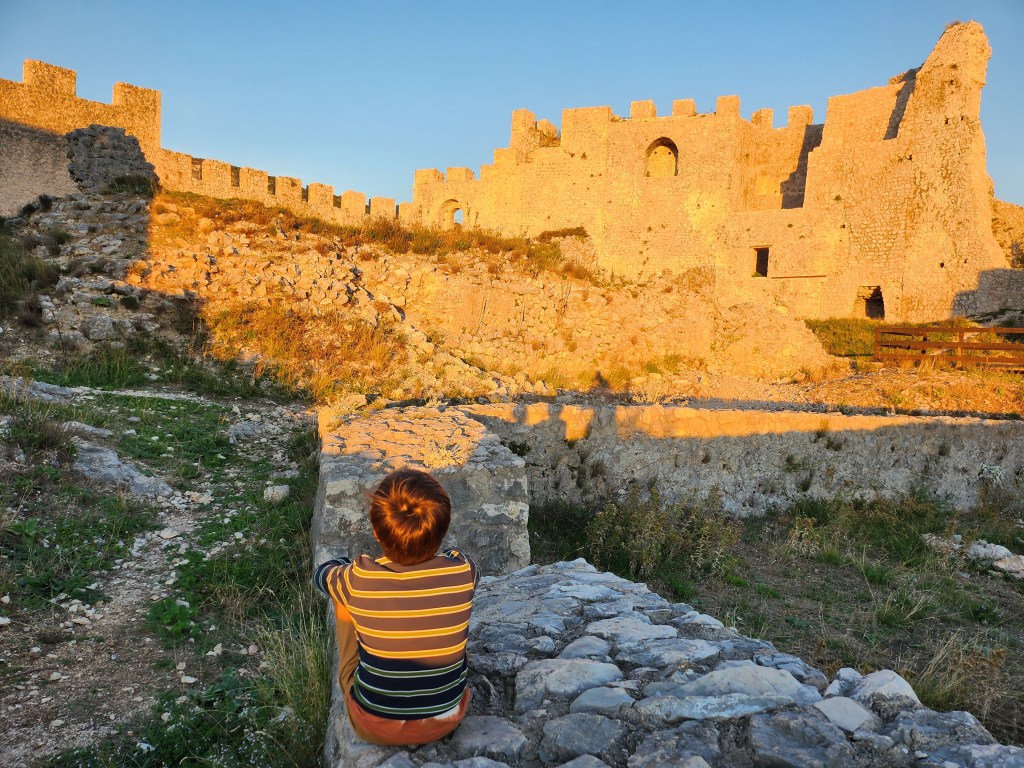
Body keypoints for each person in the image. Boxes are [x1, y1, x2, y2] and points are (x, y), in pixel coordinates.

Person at [313, 468, 478, 746]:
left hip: (374, 724)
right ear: (442, 531)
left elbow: (321, 575)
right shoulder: (462, 570)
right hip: (447, 718)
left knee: (342, 597)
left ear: (377, 533)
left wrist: (344, 564)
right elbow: (467, 563)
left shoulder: (359, 577)